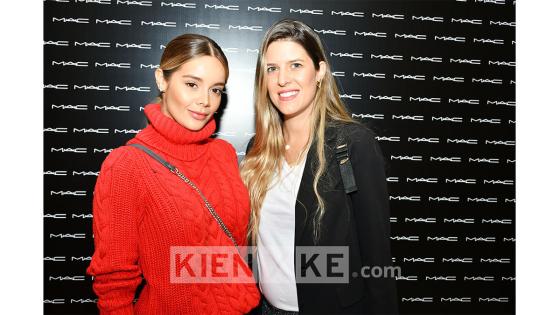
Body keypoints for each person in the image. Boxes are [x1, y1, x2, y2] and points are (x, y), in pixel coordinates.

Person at [86, 33, 260, 314]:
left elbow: (232, 250)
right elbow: (114, 284)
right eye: (192, 84)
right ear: (162, 79)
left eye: (216, 90)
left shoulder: (224, 154)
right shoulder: (126, 165)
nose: (205, 101)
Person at [240, 19, 398, 314]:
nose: (282, 79)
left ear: (320, 71)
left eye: (296, 65)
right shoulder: (257, 150)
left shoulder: (353, 145)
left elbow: (377, 258)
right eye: (272, 69)